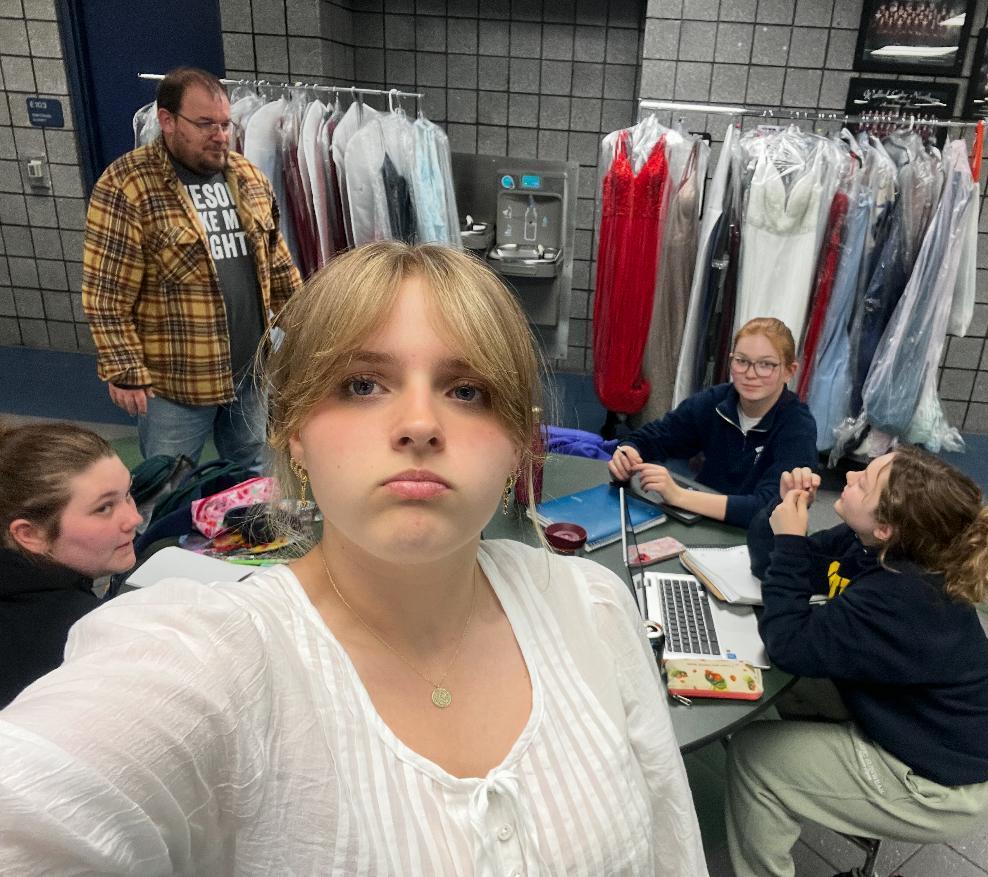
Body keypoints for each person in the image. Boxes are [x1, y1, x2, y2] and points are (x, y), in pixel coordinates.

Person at [0, 242, 708, 875]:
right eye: (362, 384)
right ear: (294, 433)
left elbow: (671, 848)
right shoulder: (205, 660)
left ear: (518, 446)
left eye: (467, 391)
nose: (421, 424)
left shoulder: (594, 609)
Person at [727, 447, 988, 877]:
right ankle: (810, 778)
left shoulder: (904, 596)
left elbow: (787, 643)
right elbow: (773, 566)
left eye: (863, 482)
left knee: (754, 757)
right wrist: (781, 509)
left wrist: (790, 541)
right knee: (786, 681)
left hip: (945, 784)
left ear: (885, 527)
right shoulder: (870, 545)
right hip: (922, 727)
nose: (849, 477)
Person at [83, 66, 302, 471]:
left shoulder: (249, 178)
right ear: (167, 120)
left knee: (253, 475)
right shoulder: (127, 186)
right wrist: (124, 369)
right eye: (205, 124)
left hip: (250, 372)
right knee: (169, 482)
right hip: (178, 383)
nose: (220, 135)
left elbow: (279, 268)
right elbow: (105, 291)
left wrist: (310, 334)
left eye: (225, 124)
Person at [607, 317, 819, 528]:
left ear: (789, 371)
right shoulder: (716, 401)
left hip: (756, 537)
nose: (750, 374)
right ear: (731, 361)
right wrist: (629, 450)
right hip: (702, 521)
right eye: (742, 361)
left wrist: (679, 496)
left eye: (766, 365)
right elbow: (658, 435)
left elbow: (771, 508)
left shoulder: (798, 426)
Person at [0, 421, 141, 708]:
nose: (134, 519)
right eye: (104, 508)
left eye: (127, 494)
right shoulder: (81, 637)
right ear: (31, 534)